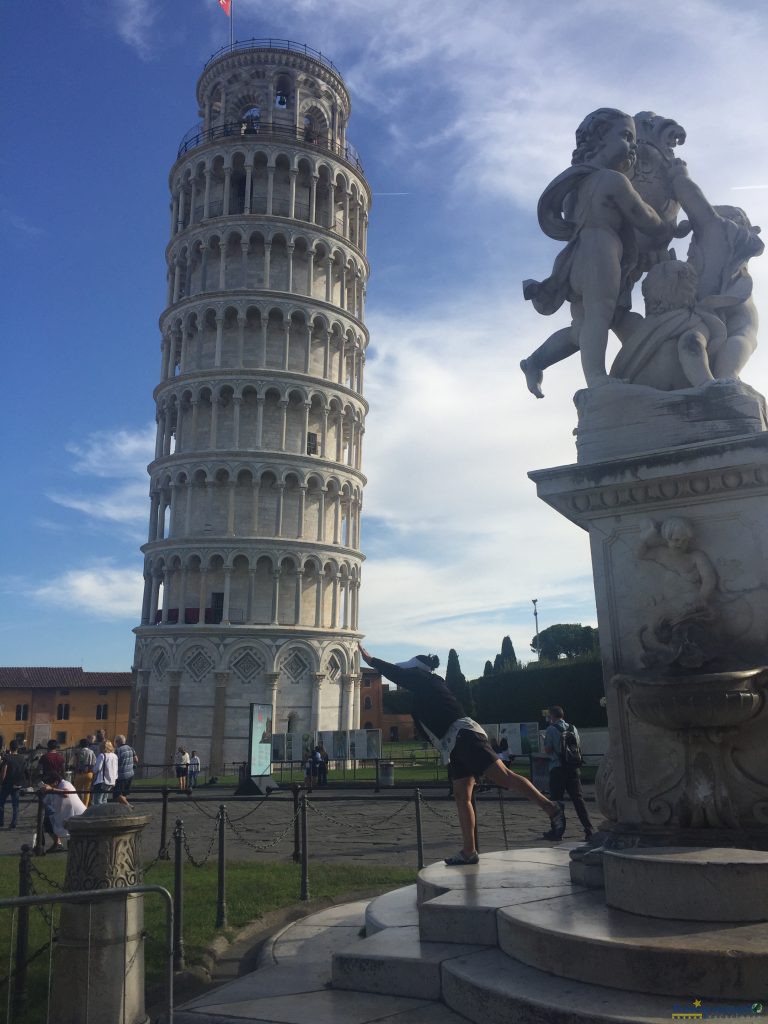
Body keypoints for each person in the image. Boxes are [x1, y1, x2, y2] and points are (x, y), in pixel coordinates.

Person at [359, 644, 565, 865]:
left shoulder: (426, 680)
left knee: (504, 777)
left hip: (464, 736)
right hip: (454, 744)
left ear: (417, 671)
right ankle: (469, 851)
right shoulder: (424, 687)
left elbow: (398, 673)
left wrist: (373, 662)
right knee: (461, 796)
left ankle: (551, 808)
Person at [521, 108, 668, 394]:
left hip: (577, 256)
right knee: (600, 315)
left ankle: (535, 361)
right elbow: (644, 217)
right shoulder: (613, 180)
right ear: (600, 138)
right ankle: (598, 379)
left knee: (584, 327)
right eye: (626, 137)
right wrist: (665, 227)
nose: (633, 147)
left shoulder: (576, 183)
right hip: (600, 250)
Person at [543, 706, 594, 841]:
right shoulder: (573, 728)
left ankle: (557, 831)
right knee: (578, 800)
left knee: (557, 802)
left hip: (558, 768)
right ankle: (589, 829)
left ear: (552, 716)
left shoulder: (551, 729)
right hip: (573, 768)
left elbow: (548, 749)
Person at [41, 774, 86, 852]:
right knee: (47, 823)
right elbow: (45, 801)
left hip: (77, 813)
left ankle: (75, 846)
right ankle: (57, 843)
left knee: (75, 832)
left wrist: (51, 789)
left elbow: (66, 793)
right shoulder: (53, 788)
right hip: (64, 813)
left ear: (55, 782)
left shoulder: (65, 784)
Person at [0, 741, 27, 829]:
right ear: (17, 748)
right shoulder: (22, 758)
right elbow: (25, 770)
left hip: (7, 783)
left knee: (1, 803)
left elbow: (4, 771)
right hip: (17, 783)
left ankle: (1, 821)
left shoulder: (7, 758)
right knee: (15, 805)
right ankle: (14, 823)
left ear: (10, 747)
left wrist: (1, 782)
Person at [92, 740, 118, 805]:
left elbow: (97, 769)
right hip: (111, 781)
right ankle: (104, 814)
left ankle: (98, 814)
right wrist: (114, 780)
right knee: (104, 799)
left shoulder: (102, 755)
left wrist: (93, 769)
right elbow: (116, 769)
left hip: (101, 781)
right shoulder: (115, 756)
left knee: (97, 801)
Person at [73, 738, 97, 808]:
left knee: (77, 790)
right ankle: (85, 806)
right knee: (87, 791)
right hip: (89, 773)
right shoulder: (91, 752)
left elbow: (75, 764)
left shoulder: (78, 752)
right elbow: (94, 762)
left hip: (79, 773)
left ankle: (78, 804)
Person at [114, 735, 138, 802]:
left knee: (116, 794)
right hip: (130, 774)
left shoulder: (118, 750)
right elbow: (136, 760)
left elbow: (115, 762)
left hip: (121, 776)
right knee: (124, 794)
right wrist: (129, 764)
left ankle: (128, 806)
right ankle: (124, 808)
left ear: (117, 742)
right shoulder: (131, 748)